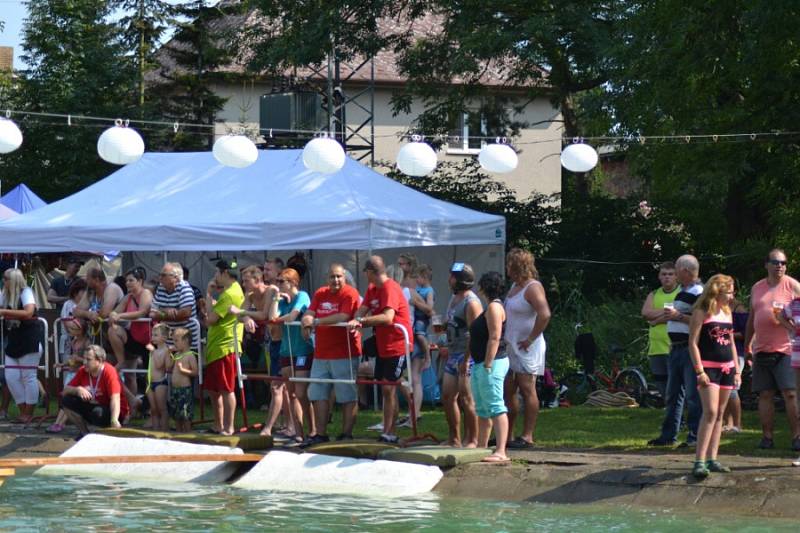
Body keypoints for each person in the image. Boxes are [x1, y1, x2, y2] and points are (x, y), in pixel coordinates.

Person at [349, 255, 413, 444]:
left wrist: (361, 321)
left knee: (388, 388)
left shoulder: (390, 287)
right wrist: (356, 319)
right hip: (383, 345)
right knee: (387, 387)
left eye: (365, 272)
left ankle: (390, 431)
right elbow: (362, 309)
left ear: (370, 271)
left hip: (398, 343)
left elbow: (387, 317)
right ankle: (389, 426)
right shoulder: (372, 288)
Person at [301, 263, 362, 445]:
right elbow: (309, 312)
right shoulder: (320, 293)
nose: (335, 280)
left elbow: (343, 317)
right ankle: (320, 433)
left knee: (347, 395)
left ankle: (346, 434)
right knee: (318, 393)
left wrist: (316, 321)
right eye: (332, 277)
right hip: (321, 354)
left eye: (339, 276)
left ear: (344, 277)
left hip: (345, 352)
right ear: (327, 278)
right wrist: (306, 322)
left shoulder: (349, 293)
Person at [746, 249, 800, 450]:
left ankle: (797, 437)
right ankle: (767, 437)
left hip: (787, 348)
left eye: (783, 263)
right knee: (765, 394)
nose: (780, 266)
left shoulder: (793, 286)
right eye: (776, 262)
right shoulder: (757, 287)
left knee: (791, 393)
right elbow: (752, 317)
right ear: (766, 264)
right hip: (761, 348)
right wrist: (747, 344)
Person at [648, 254, 704, 447]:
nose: (675, 273)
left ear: (686, 271)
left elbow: (701, 322)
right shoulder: (682, 292)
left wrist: (678, 316)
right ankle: (668, 435)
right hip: (676, 349)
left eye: (677, 269)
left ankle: (695, 436)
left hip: (689, 349)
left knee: (692, 395)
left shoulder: (699, 292)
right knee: (672, 394)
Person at [688, 274, 740, 478]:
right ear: (717, 291)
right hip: (708, 368)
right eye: (729, 291)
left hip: (726, 368)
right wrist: (699, 370)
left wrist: (737, 370)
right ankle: (699, 460)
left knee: (719, 413)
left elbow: (732, 343)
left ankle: (712, 457)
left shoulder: (727, 312)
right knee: (709, 412)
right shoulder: (701, 311)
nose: (732, 295)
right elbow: (693, 342)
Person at [503, 249, 551, 449]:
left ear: (516, 266)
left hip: (527, 347)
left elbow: (545, 314)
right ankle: (508, 434)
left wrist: (530, 338)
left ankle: (527, 435)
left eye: (509, 264)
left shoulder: (532, 287)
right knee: (508, 390)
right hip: (511, 345)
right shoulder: (515, 286)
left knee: (527, 388)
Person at [470, 271, 511, 463]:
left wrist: (487, 363)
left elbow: (495, 337)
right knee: (482, 409)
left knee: (495, 405)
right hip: (481, 364)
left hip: (491, 363)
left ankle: (501, 451)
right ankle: (482, 447)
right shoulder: (490, 307)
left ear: (483, 287)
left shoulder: (494, 307)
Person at [270, 268, 315, 441]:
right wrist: (276, 298)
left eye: (281, 281)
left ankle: (312, 430)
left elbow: (292, 317)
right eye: (278, 281)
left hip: (302, 349)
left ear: (293, 283)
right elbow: (273, 316)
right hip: (286, 350)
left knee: (301, 393)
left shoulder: (302, 296)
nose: (278, 284)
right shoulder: (282, 299)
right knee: (291, 394)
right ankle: (299, 432)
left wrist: (279, 319)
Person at [440, 262, 481, 448]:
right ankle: (454, 438)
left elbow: (476, 333)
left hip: (467, 356)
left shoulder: (471, 302)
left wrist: (466, 360)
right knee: (448, 397)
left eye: (452, 277)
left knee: (467, 399)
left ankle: (472, 439)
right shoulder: (454, 298)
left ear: (461, 280)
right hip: (453, 353)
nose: (449, 280)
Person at [204, 259, 245, 435]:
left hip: (225, 347)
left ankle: (228, 427)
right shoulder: (231, 291)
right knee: (214, 390)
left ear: (225, 273)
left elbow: (210, 320)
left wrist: (208, 295)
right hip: (217, 347)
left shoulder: (229, 294)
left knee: (226, 389)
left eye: (216, 273)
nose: (215, 277)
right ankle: (219, 424)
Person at [0, 268, 45, 424]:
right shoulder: (4, 294)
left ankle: (28, 413)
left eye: (6, 278)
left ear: (12, 280)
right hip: (13, 340)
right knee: (11, 377)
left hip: (29, 339)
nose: (3, 281)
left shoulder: (26, 292)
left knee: (28, 377)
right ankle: (22, 411)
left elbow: (29, 312)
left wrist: (3, 311)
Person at [62, 345, 129, 437]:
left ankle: (106, 433)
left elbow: (115, 398)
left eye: (88, 359)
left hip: (113, 411)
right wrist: (77, 389)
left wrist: (114, 419)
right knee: (66, 400)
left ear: (100, 360)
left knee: (97, 413)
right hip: (94, 405)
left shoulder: (109, 371)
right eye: (84, 359)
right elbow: (65, 390)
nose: (84, 362)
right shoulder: (83, 371)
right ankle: (84, 433)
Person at [108, 267, 153, 399]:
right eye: (126, 281)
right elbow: (115, 312)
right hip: (134, 339)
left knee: (150, 378)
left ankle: (149, 407)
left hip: (150, 343)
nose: (127, 283)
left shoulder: (146, 293)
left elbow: (142, 312)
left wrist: (119, 315)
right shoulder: (128, 297)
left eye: (131, 280)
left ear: (140, 281)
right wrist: (113, 314)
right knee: (113, 329)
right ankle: (121, 361)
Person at [230, 265, 270, 409]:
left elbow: (265, 315)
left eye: (246, 281)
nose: (243, 284)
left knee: (278, 382)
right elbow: (240, 315)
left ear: (258, 279)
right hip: (267, 341)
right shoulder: (249, 295)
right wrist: (246, 318)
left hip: (281, 340)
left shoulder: (270, 290)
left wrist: (244, 313)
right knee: (272, 381)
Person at [641, 261, 680, 399]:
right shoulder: (654, 294)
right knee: (660, 381)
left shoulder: (681, 293)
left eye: (670, 274)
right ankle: (669, 408)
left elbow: (679, 314)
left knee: (676, 382)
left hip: (674, 346)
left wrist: (656, 320)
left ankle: (679, 412)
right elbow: (645, 313)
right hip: (656, 348)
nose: (667, 277)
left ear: (677, 276)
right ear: (659, 276)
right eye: (664, 274)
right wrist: (667, 313)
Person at [46, 318, 90, 434]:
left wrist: (78, 359)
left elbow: (89, 360)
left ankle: (60, 423)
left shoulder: (87, 342)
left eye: (72, 329)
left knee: (69, 399)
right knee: (65, 398)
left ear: (80, 330)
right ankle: (58, 422)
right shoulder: (74, 341)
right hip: (72, 372)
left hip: (79, 374)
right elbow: (72, 359)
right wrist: (62, 364)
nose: (69, 330)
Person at [149, 262, 199, 351]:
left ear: (175, 278)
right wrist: (166, 311)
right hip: (168, 343)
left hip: (186, 345)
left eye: (163, 275)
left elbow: (185, 314)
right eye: (159, 274)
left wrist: (161, 313)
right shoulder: (161, 288)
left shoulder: (185, 288)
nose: (160, 278)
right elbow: (152, 313)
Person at [408, 264, 435, 424]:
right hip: (415, 320)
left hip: (421, 320)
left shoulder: (428, 291)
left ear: (424, 278)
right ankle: (413, 412)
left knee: (420, 333)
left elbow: (430, 308)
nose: (416, 280)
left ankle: (427, 355)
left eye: (418, 277)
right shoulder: (417, 289)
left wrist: (416, 303)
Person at [73, 267, 125, 346]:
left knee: (112, 331)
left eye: (88, 278)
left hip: (120, 331)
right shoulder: (90, 291)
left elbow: (104, 313)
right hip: (102, 334)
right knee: (73, 323)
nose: (85, 280)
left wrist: (91, 315)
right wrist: (89, 314)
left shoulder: (111, 288)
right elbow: (76, 311)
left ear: (96, 280)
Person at [723, 296, 748, 433]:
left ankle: (738, 424)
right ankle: (728, 423)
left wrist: (727, 334)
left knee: (732, 389)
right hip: (721, 351)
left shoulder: (739, 310)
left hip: (736, 353)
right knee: (724, 388)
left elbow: (746, 333)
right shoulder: (718, 308)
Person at [168, 327, 199, 432]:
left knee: (185, 414)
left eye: (176, 340)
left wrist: (183, 370)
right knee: (176, 414)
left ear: (185, 341)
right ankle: (178, 433)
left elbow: (195, 372)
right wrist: (170, 354)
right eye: (173, 341)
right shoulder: (177, 354)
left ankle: (187, 433)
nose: (174, 343)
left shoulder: (190, 356)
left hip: (184, 390)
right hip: (175, 389)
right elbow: (169, 367)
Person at [145, 323, 170, 431]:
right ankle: (155, 431)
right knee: (153, 409)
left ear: (164, 337)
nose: (152, 337)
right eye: (152, 335)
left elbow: (160, 366)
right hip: (150, 383)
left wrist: (153, 351)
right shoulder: (154, 351)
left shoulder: (165, 350)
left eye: (156, 335)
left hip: (160, 382)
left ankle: (164, 430)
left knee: (161, 409)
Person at [181, 264, 207, 329]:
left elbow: (203, 308)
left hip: (191, 327)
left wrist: (199, 320)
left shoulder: (194, 290)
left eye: (185, 278)